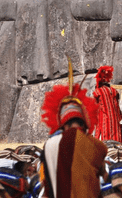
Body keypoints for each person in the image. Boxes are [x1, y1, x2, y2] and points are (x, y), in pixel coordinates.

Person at [40, 69, 107, 198]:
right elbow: (103, 179)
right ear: (84, 121)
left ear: (63, 123)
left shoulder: (49, 146)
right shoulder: (98, 146)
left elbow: (46, 187)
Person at [92, 65, 122, 142]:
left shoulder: (97, 91)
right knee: (117, 137)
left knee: (106, 138)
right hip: (116, 119)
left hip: (105, 118)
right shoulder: (114, 91)